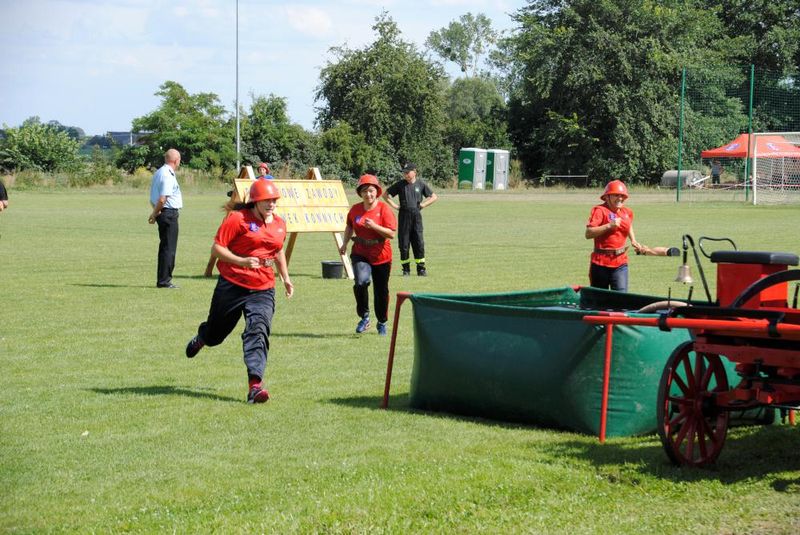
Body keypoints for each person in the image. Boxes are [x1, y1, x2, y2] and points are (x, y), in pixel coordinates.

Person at [185, 180, 294, 404]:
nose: (271, 204)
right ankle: (204, 337)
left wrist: (285, 278)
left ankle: (255, 386)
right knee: (217, 333)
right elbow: (217, 248)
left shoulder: (280, 224)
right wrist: (242, 261)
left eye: (274, 200)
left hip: (263, 288)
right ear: (255, 201)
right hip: (232, 284)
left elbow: (278, 250)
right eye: (267, 200)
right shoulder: (238, 219)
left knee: (258, 331)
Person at [339, 174, 397, 335]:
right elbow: (350, 226)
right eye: (364, 191)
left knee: (381, 290)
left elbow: (391, 234)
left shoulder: (384, 209)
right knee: (361, 282)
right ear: (360, 193)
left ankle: (382, 322)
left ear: (377, 192)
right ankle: (364, 317)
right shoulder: (355, 209)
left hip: (381, 254)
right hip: (360, 252)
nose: (368, 194)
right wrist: (344, 243)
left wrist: (374, 227)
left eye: (371, 191)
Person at [585, 180, 644, 292]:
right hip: (600, 264)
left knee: (621, 299)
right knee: (600, 301)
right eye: (616, 195)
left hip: (621, 263)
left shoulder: (627, 212)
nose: (620, 198)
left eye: (622, 195)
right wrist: (608, 226)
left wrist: (633, 240)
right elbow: (588, 233)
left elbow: (628, 224)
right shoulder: (599, 211)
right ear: (607, 197)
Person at [382, 162, 438, 276]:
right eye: (404, 173)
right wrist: (395, 206)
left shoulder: (421, 184)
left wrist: (423, 205)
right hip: (403, 216)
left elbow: (434, 197)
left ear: (414, 172)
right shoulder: (400, 185)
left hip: (416, 216)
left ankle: (421, 269)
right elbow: (385, 195)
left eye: (408, 172)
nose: (405, 175)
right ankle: (406, 270)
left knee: (419, 242)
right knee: (404, 244)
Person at [148, 149, 183, 289]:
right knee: (169, 248)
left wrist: (155, 212)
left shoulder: (160, 172)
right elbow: (163, 198)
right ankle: (164, 281)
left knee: (165, 247)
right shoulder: (167, 175)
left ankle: (163, 279)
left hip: (164, 213)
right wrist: (154, 213)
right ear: (176, 160)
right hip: (168, 213)